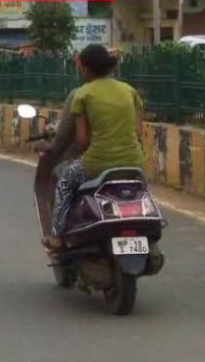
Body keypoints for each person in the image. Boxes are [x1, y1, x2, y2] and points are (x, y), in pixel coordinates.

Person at [48, 45, 144, 247]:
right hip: (134, 163)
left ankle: (57, 236)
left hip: (97, 164)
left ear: (85, 69)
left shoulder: (82, 95)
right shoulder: (129, 91)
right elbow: (138, 133)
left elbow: (82, 141)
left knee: (64, 181)